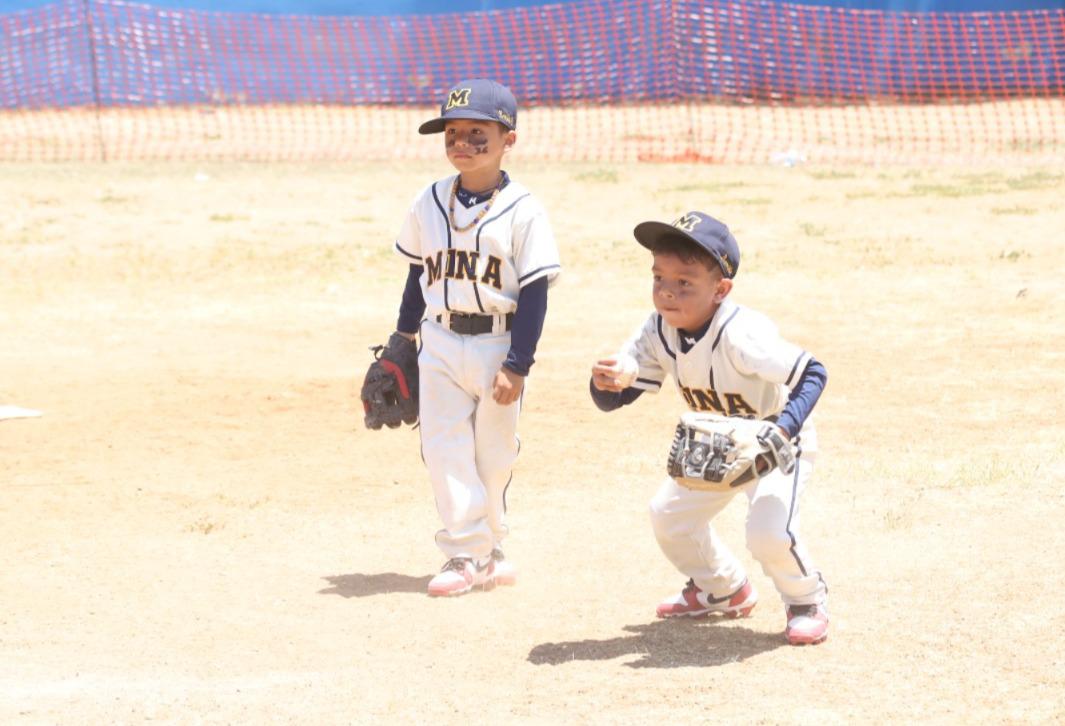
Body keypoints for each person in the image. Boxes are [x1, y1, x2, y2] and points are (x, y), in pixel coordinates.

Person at [589, 211, 829, 645]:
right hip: (716, 445)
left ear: (720, 290)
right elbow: (618, 396)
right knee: (668, 517)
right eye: (659, 277)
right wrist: (605, 383)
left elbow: (813, 372)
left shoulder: (743, 334)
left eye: (685, 282)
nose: (667, 291)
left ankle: (805, 599)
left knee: (767, 533)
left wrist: (783, 430)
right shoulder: (658, 328)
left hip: (776, 444)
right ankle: (724, 589)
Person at [389, 79, 561, 597]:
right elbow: (418, 273)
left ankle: (493, 544)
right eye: (452, 133)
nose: (461, 142)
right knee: (444, 449)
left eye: (477, 133)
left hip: (496, 345)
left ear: (509, 138)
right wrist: (402, 338)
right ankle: (465, 552)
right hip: (438, 341)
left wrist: (519, 363)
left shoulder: (524, 210)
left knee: (494, 452)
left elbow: (534, 292)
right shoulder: (430, 200)